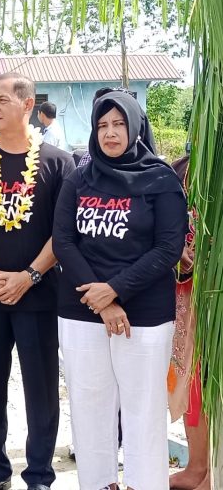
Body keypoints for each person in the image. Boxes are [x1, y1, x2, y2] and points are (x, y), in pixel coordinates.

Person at [52, 91, 186, 490]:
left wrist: (114, 290)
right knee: (89, 406)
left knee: (143, 410)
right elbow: (63, 240)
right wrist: (102, 301)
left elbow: (168, 248)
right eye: (102, 125)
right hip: (81, 308)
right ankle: (99, 484)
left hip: (144, 314)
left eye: (119, 124)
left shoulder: (161, 179)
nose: (110, 133)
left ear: (136, 127)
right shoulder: (80, 177)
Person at [0, 72, 75, 490]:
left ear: (27, 105)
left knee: (41, 388)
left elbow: (63, 233)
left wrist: (29, 276)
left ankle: (40, 474)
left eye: (1, 100)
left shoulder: (59, 162)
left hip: (40, 295)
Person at [168, 154, 210, 490]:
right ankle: (198, 467)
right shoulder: (182, 170)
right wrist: (179, 249)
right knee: (193, 377)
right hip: (192, 294)